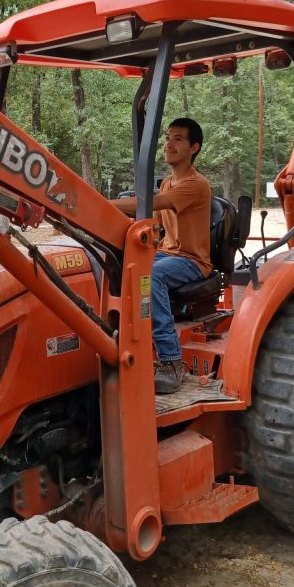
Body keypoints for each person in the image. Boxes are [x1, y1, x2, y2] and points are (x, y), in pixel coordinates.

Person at [112, 118, 212, 394]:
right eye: (168, 137)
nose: (169, 143)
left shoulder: (196, 184)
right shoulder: (168, 182)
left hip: (191, 260)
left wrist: (102, 203)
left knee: (152, 275)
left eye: (178, 139)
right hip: (166, 254)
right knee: (120, 265)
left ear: (194, 147)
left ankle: (171, 360)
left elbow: (156, 203)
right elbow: (152, 221)